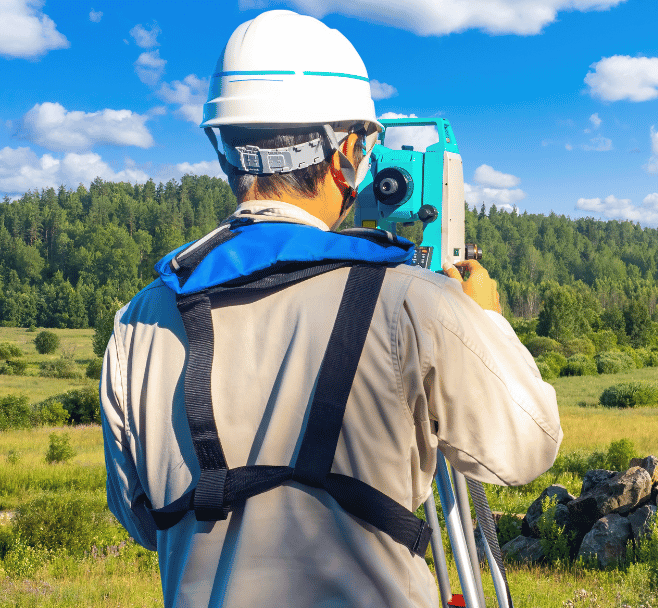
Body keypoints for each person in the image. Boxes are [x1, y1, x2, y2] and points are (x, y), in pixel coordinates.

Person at [100, 10, 561, 608]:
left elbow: (142, 521)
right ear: (347, 151)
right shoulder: (410, 303)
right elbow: (530, 444)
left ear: (226, 150)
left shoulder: (142, 321)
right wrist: (486, 319)